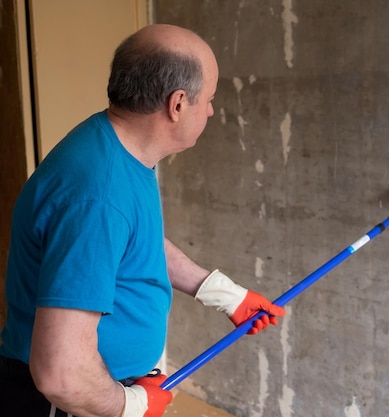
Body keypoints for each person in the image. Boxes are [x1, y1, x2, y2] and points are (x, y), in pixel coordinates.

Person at [0, 24, 285, 417]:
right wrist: (130, 405)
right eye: (210, 99)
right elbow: (61, 376)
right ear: (178, 103)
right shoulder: (99, 195)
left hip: (97, 387)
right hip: (67, 402)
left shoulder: (119, 148)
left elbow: (133, 243)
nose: (212, 110)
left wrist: (221, 292)